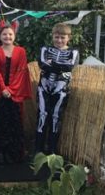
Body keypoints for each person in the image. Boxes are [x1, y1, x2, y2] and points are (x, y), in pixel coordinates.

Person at [0, 26, 32, 164]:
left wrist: (11, 90)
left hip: (15, 93)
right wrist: (3, 89)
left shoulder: (21, 51)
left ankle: (13, 153)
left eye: (10, 34)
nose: (7, 37)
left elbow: (21, 72)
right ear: (0, 37)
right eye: (4, 34)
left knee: (15, 123)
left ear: (14, 36)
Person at [35, 23, 79, 154]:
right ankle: (38, 149)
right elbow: (42, 65)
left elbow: (70, 67)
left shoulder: (73, 52)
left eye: (62, 37)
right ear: (52, 37)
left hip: (61, 90)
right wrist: (59, 66)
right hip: (44, 88)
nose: (59, 40)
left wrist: (51, 64)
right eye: (56, 37)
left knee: (56, 117)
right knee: (42, 116)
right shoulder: (45, 49)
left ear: (68, 38)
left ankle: (52, 150)